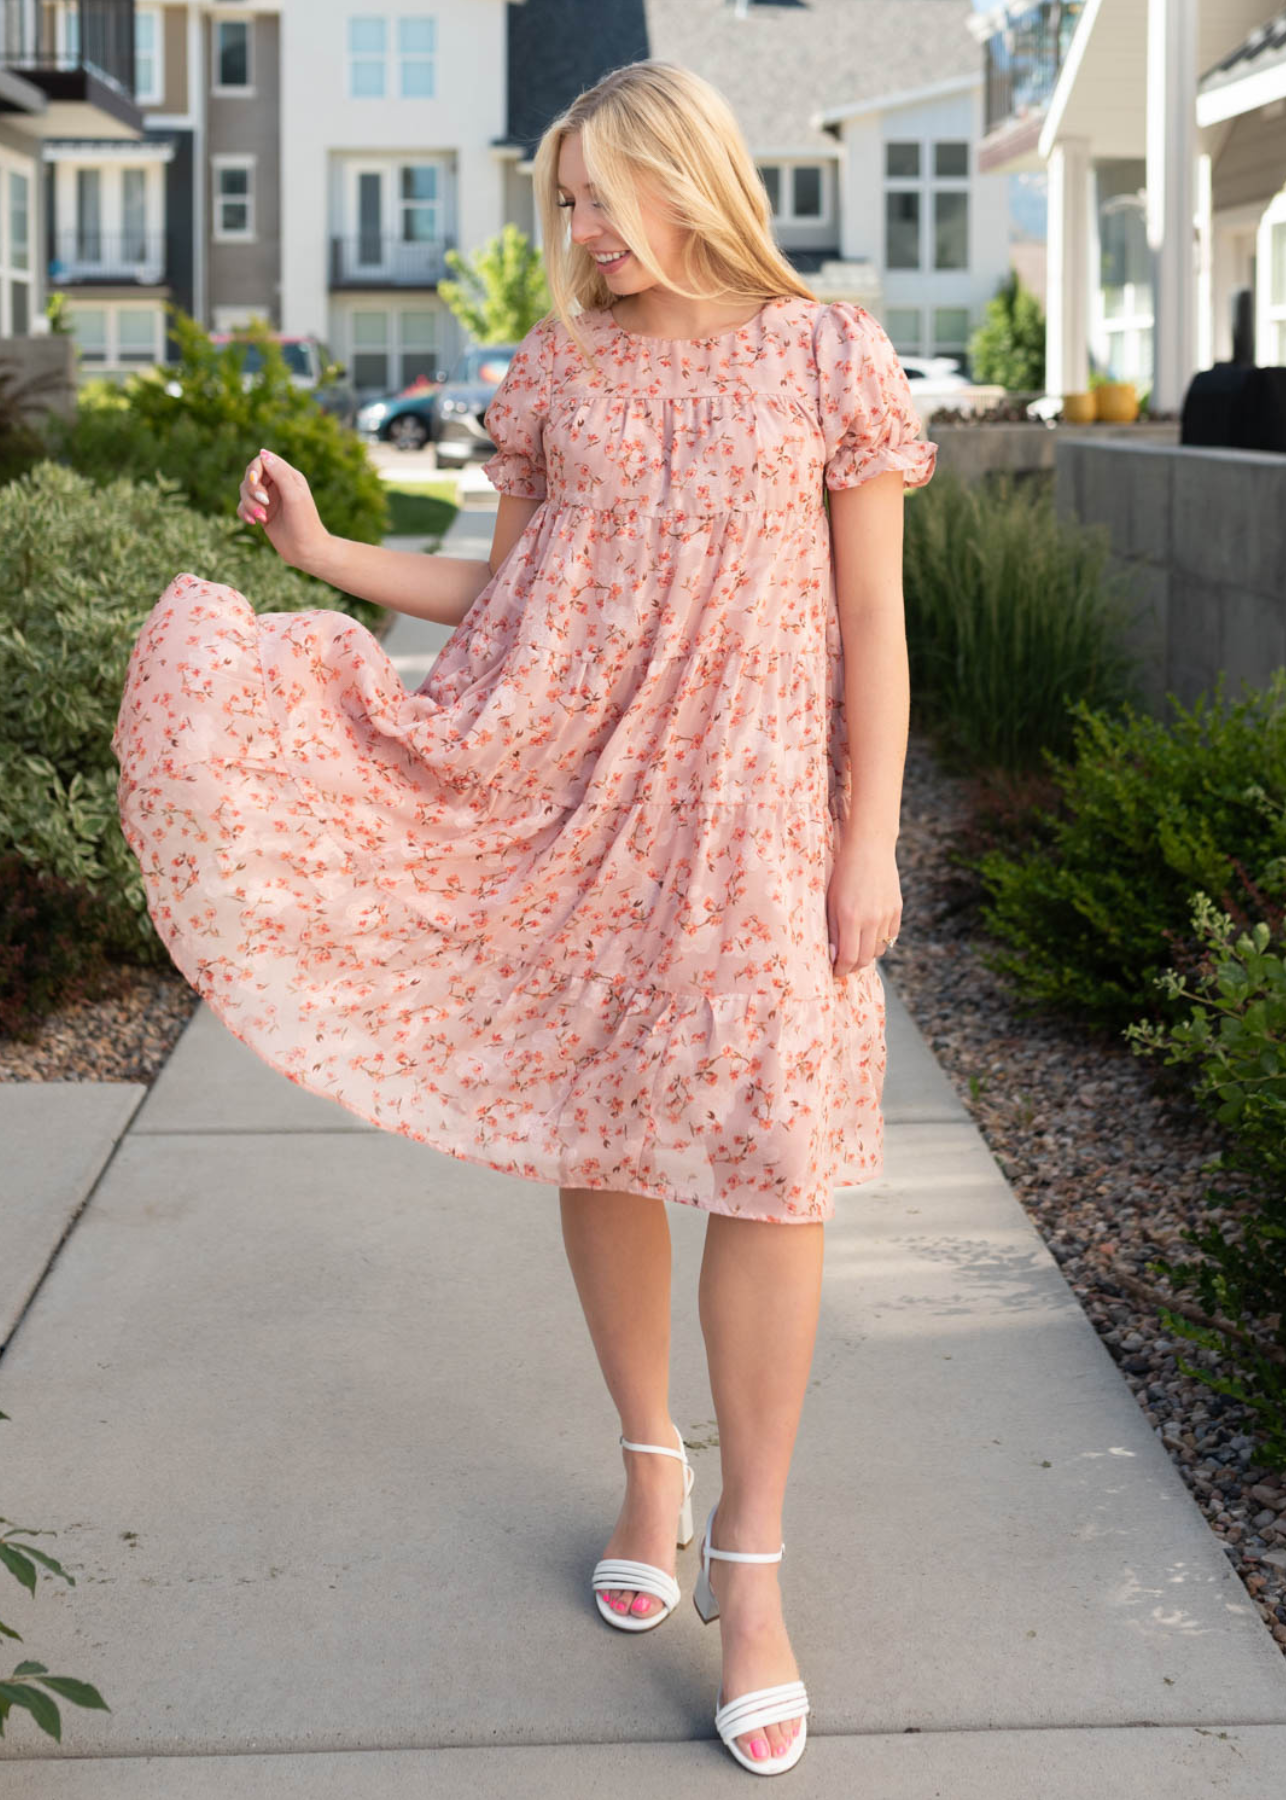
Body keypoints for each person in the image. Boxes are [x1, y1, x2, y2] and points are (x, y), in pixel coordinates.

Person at [112, 57, 936, 1779]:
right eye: (559, 202)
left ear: (684, 179)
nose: (575, 231)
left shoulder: (821, 354)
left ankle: (753, 1561)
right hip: (578, 797)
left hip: (762, 815)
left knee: (774, 1158)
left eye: (593, 198)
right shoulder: (556, 369)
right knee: (611, 1137)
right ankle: (649, 1457)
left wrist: (870, 839)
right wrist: (334, 558)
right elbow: (513, 589)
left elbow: (873, 621)